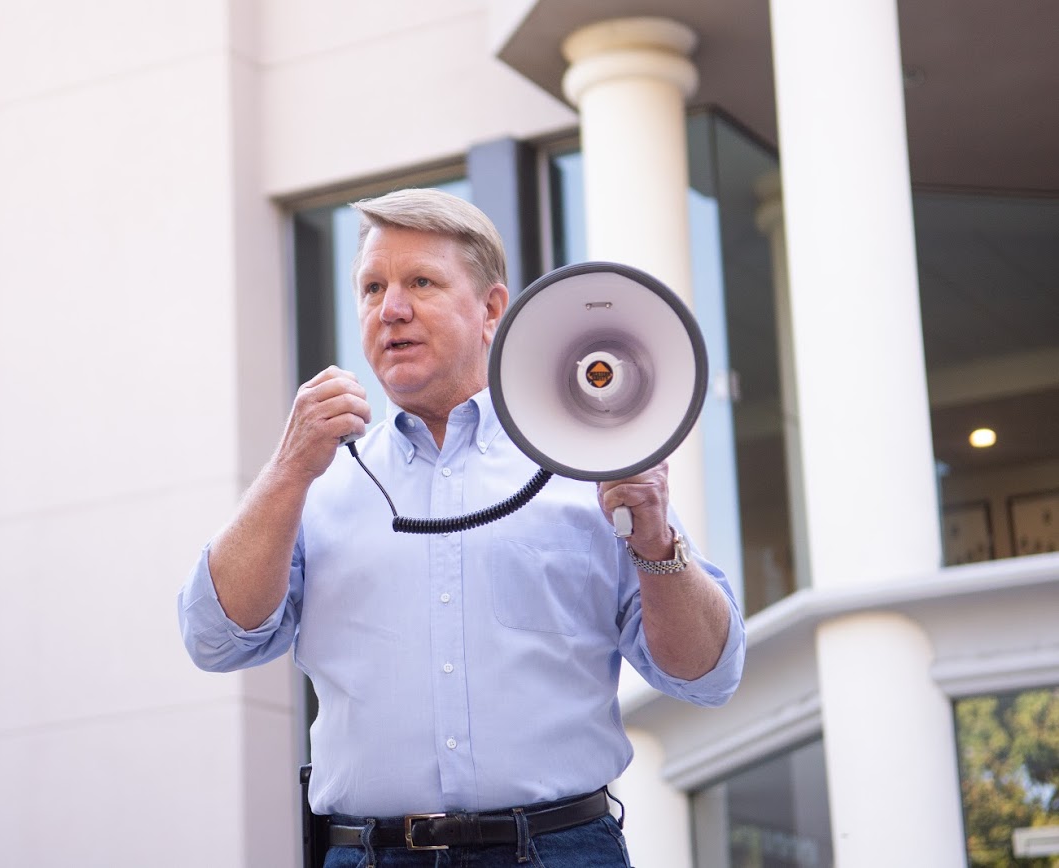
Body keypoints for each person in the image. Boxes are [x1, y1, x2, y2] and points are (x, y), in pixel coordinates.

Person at [179, 188, 745, 867]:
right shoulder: (316, 477)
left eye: (421, 282)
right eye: (371, 287)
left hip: (559, 849)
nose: (391, 309)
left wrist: (656, 542)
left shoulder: (588, 460)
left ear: (492, 310)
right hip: (370, 855)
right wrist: (286, 470)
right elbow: (213, 640)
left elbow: (709, 675)